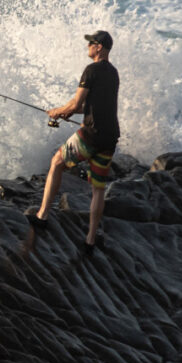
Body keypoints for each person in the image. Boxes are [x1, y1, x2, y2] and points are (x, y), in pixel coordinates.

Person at [31, 30, 120, 254]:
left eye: (91, 43)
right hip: (110, 137)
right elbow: (90, 107)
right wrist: (68, 112)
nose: (88, 46)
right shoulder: (113, 73)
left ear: (99, 47)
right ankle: (90, 239)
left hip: (90, 135)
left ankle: (42, 216)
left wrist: (57, 111)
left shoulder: (91, 70)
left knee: (57, 162)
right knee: (98, 188)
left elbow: (76, 103)